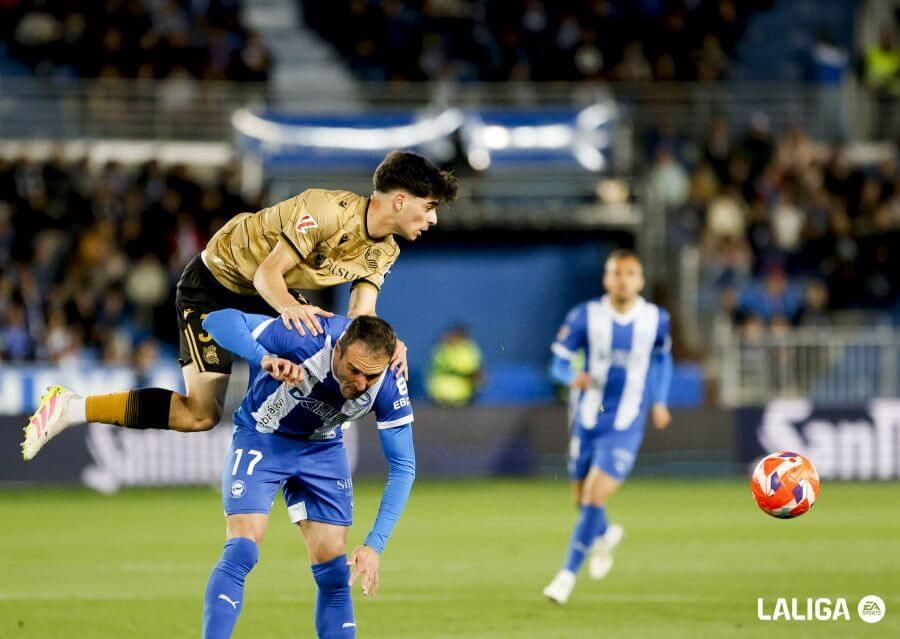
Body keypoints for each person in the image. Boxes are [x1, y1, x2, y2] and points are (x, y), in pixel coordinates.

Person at [22, 150, 456, 460]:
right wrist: (289, 307)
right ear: (400, 200)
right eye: (430, 206)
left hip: (273, 296)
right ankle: (71, 408)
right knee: (199, 415)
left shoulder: (386, 251)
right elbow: (266, 274)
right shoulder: (324, 210)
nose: (434, 218)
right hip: (216, 284)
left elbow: (361, 316)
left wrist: (386, 344)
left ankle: (277, 468)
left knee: (318, 354)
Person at [198, 308, 415, 638]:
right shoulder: (305, 335)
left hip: (321, 449)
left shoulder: (389, 381)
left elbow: (403, 467)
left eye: (370, 377)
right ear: (338, 349)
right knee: (243, 548)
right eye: (354, 370)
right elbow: (215, 320)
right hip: (263, 435)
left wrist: (374, 545)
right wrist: (265, 358)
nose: (360, 384)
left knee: (334, 571)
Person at [543, 250, 673, 605]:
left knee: (594, 497)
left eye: (630, 273)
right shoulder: (585, 316)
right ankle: (605, 534)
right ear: (606, 279)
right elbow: (557, 364)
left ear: (640, 280)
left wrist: (659, 401)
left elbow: (662, 359)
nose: (623, 280)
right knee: (581, 499)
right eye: (617, 273)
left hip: (626, 422)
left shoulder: (656, 319)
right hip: (586, 419)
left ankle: (565, 578)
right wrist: (572, 376)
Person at [426, 324, 483, 407]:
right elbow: (447, 366)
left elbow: (476, 371)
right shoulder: (440, 350)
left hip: (463, 397)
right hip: (440, 398)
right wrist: (469, 374)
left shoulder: (469, 349)